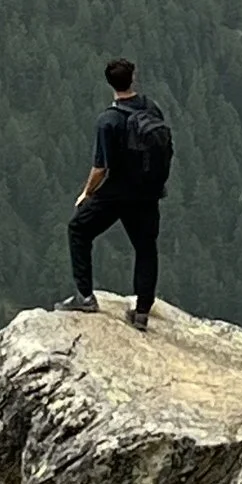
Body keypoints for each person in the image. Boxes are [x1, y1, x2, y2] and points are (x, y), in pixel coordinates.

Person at [63, 57, 172, 328]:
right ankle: (142, 312)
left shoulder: (108, 120)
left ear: (109, 83)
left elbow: (100, 168)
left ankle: (85, 296)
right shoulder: (151, 108)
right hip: (148, 192)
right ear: (133, 79)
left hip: (116, 193)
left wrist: (87, 193)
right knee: (146, 249)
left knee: (78, 229)